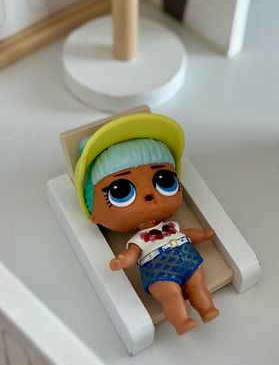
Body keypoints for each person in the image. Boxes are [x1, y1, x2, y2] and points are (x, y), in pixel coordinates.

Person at [74, 113, 219, 335]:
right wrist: (123, 260)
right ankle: (181, 321)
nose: (148, 194)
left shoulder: (173, 227)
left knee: (198, 283)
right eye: (120, 191)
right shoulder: (139, 239)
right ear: (95, 214)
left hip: (188, 260)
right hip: (159, 270)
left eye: (165, 180)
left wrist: (204, 235)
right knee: (171, 294)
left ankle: (207, 309)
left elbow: (189, 234)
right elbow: (133, 254)